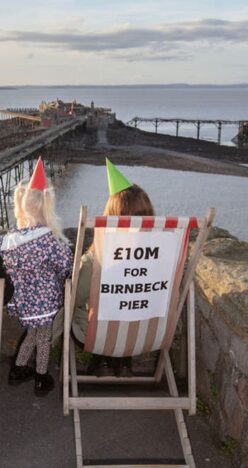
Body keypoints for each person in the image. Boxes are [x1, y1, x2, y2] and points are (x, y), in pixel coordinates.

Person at [63, 158, 155, 377]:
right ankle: (123, 362)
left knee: (79, 304)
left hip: (97, 337)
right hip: (145, 334)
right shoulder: (161, 256)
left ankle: (103, 359)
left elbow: (75, 298)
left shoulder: (97, 259)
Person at [0, 157, 73, 396]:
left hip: (23, 303)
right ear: (47, 207)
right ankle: (41, 376)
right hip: (46, 303)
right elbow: (66, 267)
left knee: (32, 334)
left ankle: (17, 370)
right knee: (43, 338)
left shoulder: (9, 240)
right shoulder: (51, 240)